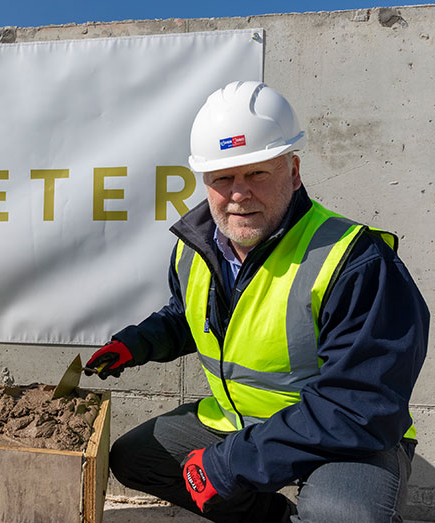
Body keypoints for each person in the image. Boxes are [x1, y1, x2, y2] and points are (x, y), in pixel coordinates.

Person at [85, 81, 429, 523]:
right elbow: (191, 318)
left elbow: (360, 406)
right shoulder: (195, 249)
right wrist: (137, 344)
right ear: (206, 182)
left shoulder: (355, 260)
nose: (239, 194)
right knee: (137, 457)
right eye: (223, 178)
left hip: (348, 439)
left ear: (294, 170)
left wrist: (228, 464)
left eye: (258, 174)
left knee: (342, 515)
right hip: (241, 421)